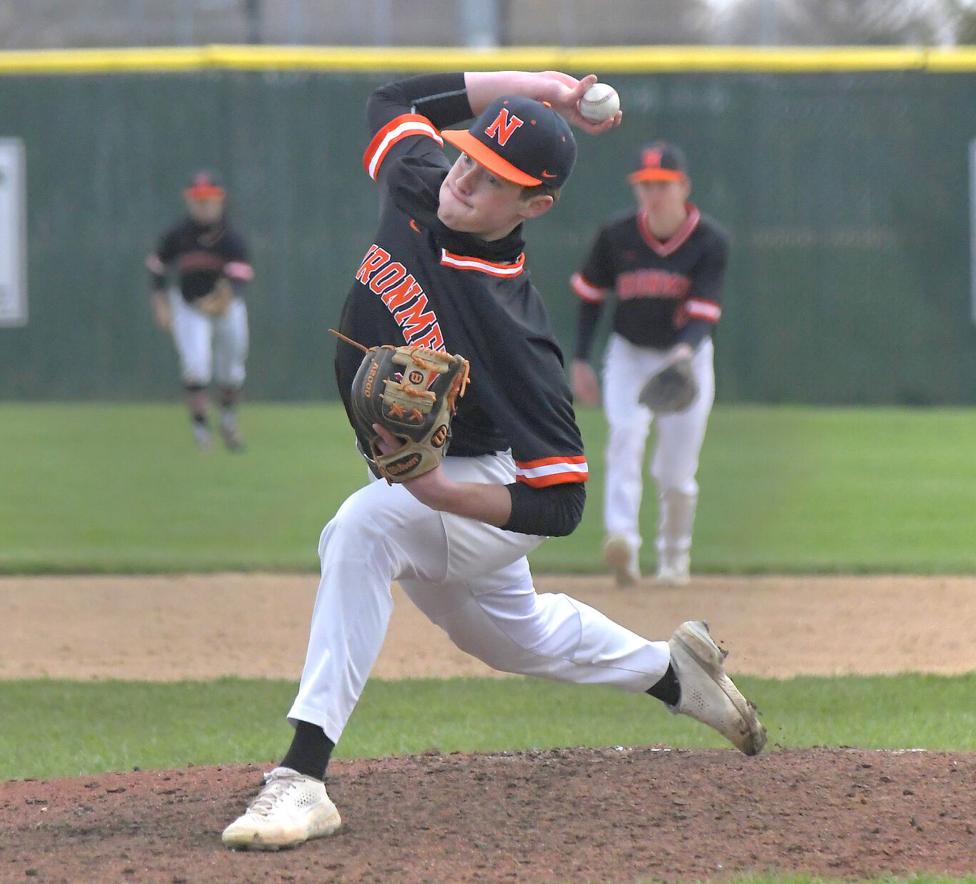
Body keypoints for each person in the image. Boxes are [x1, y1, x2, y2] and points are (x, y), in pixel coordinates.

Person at [222, 73, 765, 852]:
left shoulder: (515, 334)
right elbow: (392, 103)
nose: (466, 180)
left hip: (486, 485)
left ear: (533, 206)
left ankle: (303, 777)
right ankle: (675, 674)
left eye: (494, 180)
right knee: (512, 639)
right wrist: (537, 86)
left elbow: (562, 502)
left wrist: (438, 490)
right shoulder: (420, 182)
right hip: (440, 484)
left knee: (363, 531)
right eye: (468, 158)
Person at [569, 142, 728, 587]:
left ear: (684, 188)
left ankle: (675, 556)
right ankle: (622, 541)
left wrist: (682, 354)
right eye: (645, 185)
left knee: (675, 473)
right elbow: (590, 298)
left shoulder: (709, 241)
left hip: (687, 360)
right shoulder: (616, 236)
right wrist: (581, 358)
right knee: (625, 435)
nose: (652, 194)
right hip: (630, 354)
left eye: (662, 185)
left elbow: (703, 313)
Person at [145, 171, 254, 452]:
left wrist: (223, 297)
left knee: (232, 371)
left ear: (220, 201)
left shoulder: (231, 238)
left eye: (209, 199)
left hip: (227, 309)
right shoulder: (178, 235)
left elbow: (240, 278)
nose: (203, 205)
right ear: (189, 201)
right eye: (198, 199)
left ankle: (228, 422)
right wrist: (160, 305)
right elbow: (157, 269)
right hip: (189, 306)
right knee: (196, 367)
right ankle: (201, 433)